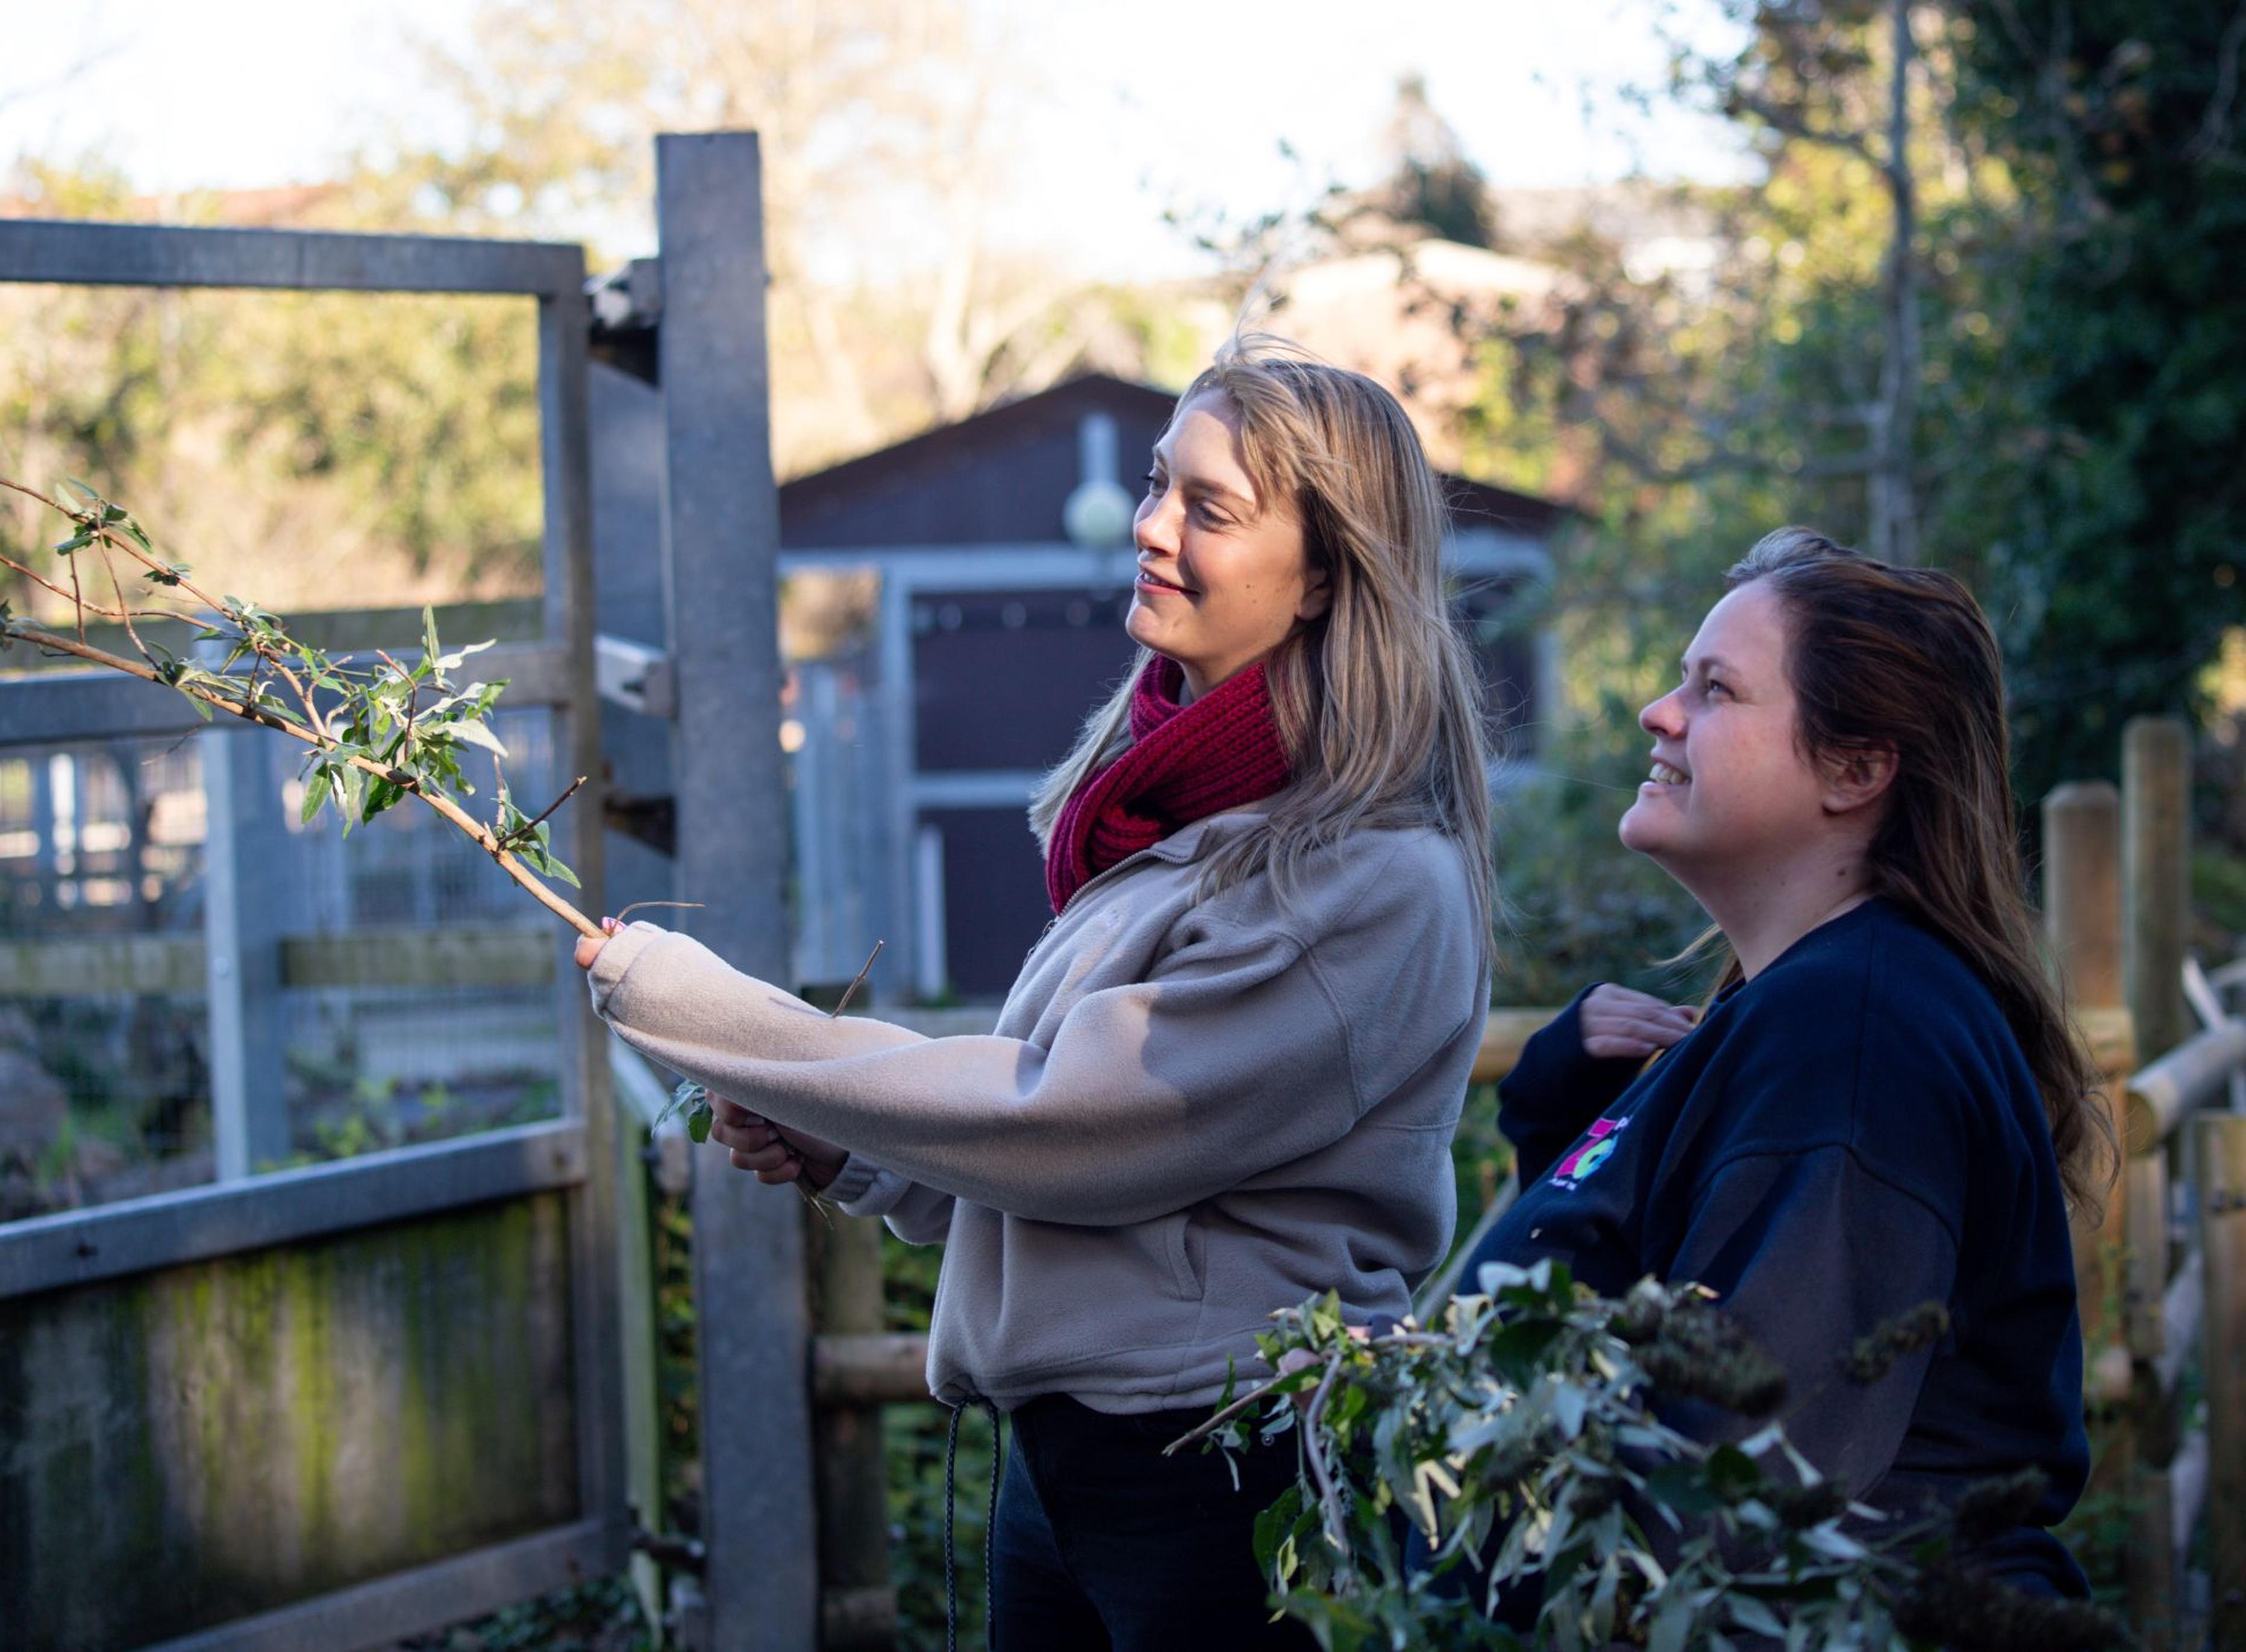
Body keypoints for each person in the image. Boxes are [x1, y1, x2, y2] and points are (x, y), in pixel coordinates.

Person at [575, 337, 1496, 1649]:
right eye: (1159, 484)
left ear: (1326, 578)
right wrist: (858, 1150)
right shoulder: (1172, 821)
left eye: (1211, 509)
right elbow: (1079, 1155)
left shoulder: (1370, 877)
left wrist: (699, 1006)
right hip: (1072, 1467)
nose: (1152, 527)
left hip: (1228, 1471)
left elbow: (1072, 1127)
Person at [1460, 528, 2111, 1597]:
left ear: (1855, 770)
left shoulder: (1859, 1038)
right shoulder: (1792, 1006)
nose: (1658, 714)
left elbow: (1739, 1480)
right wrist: (1558, 1114)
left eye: (1715, 690)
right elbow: (1632, 1323)